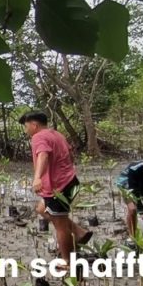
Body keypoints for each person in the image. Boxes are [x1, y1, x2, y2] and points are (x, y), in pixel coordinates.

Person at [19, 110, 92, 264]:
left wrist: (38, 177)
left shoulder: (38, 136)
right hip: (71, 181)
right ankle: (79, 232)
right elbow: (70, 155)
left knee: (60, 226)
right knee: (41, 209)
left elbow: (43, 154)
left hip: (58, 187)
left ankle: (67, 262)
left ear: (34, 125)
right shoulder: (57, 135)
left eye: (26, 127)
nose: (26, 131)